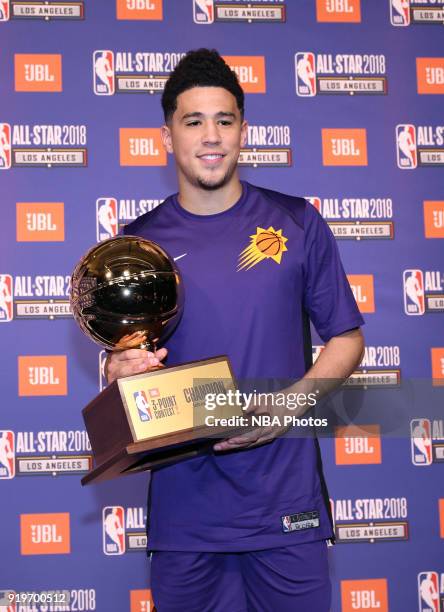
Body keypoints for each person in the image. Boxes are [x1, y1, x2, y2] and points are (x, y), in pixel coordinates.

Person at [105, 49, 365, 611]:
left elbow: (346, 339)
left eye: (224, 120)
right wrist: (116, 370)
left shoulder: (297, 223)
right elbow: (124, 366)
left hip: (283, 505)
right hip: (186, 516)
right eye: (193, 121)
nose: (211, 136)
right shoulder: (136, 244)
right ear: (167, 136)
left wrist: (286, 408)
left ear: (243, 131)